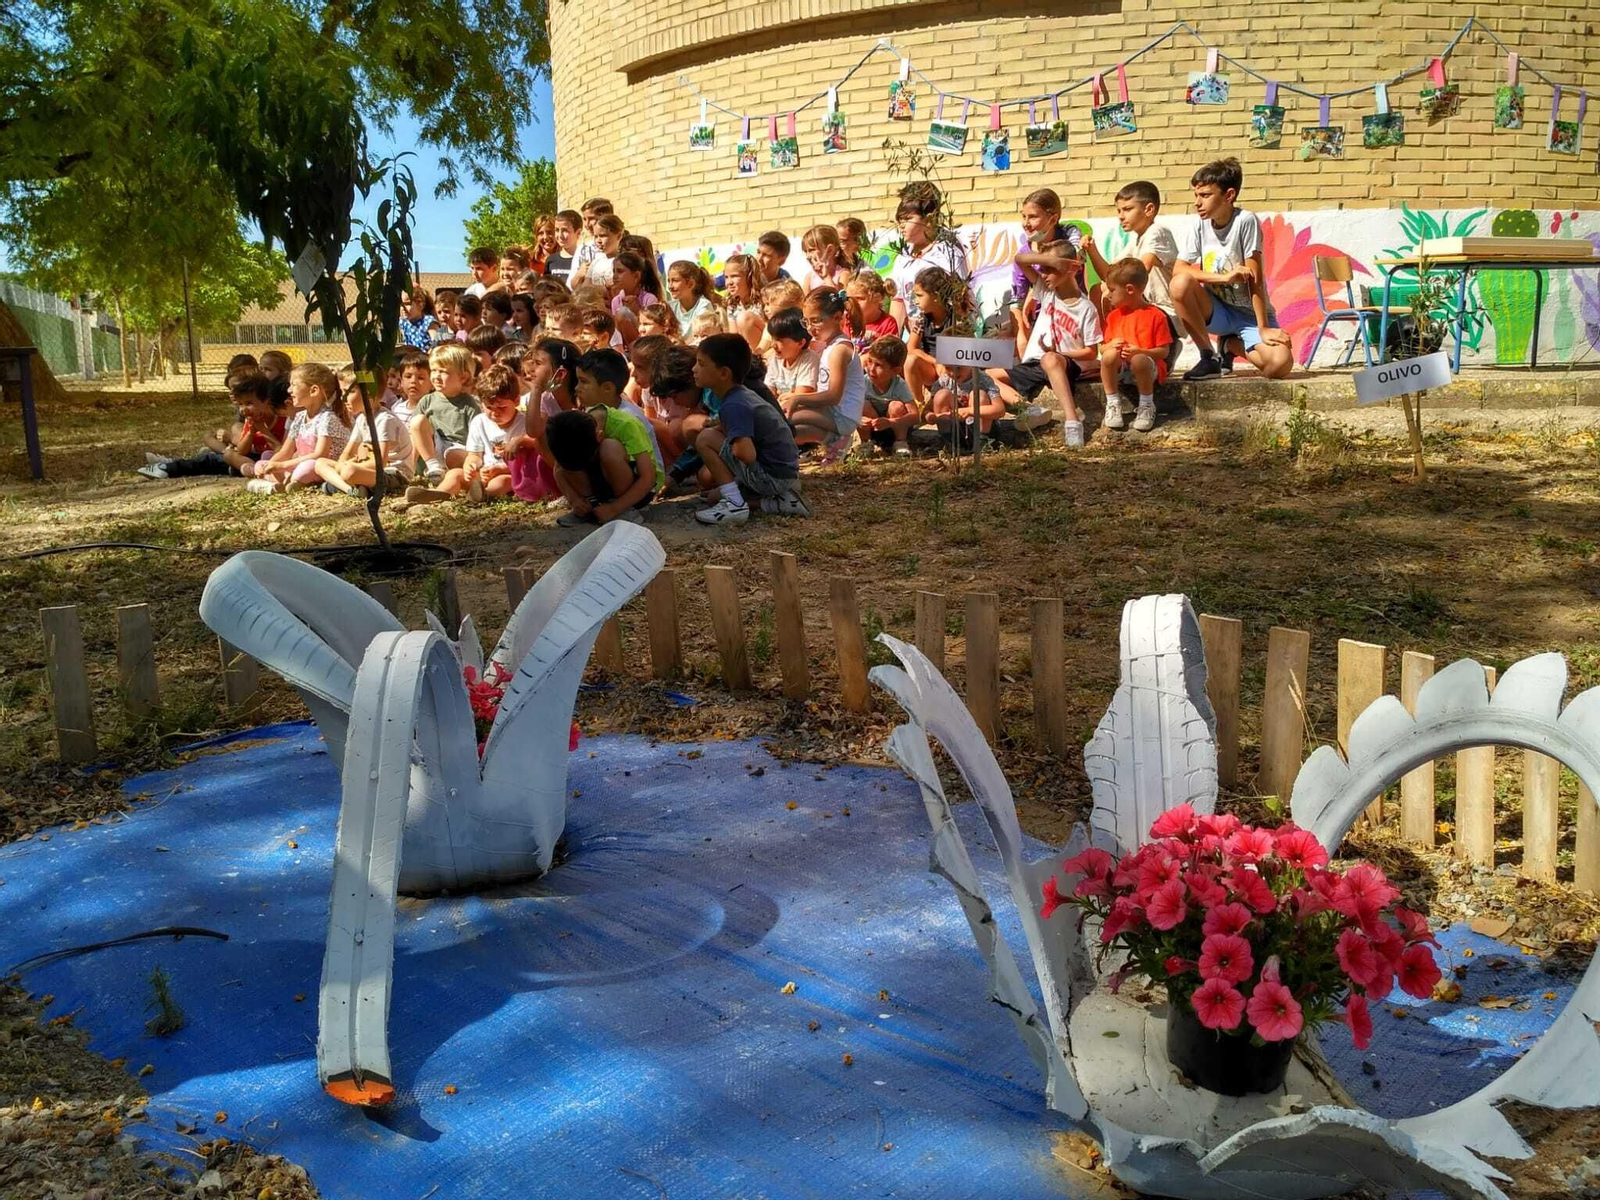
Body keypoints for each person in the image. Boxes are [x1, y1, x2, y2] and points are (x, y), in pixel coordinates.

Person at [1171, 157, 1293, 380]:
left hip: (1250, 316)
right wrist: (1224, 278)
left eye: (1205, 195)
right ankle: (1209, 356)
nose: (1198, 202)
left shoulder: (1245, 221)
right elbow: (1179, 269)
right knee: (1180, 283)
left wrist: (1263, 327)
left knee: (1279, 366)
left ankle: (1231, 345)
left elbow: (1255, 279)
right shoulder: (1199, 224)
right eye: (1196, 195)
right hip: (1216, 310)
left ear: (1229, 195)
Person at [991, 241, 1100, 447]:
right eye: (1042, 269)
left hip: (1065, 363)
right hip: (1035, 363)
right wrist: (1050, 260)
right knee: (987, 376)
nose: (1043, 274)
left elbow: (1091, 352)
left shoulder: (1086, 308)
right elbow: (1020, 260)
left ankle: (1072, 422)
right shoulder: (1046, 292)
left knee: (1050, 358)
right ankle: (1029, 409)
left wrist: (1059, 352)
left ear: (1071, 269)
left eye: (1050, 269)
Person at [692, 333, 807, 524]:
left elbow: (746, 454)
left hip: (771, 476)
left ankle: (734, 505)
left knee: (705, 439)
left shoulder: (733, 405)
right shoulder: (741, 394)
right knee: (713, 497)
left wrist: (729, 445)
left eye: (701, 364)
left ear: (724, 373)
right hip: (783, 473)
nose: (694, 369)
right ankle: (778, 502)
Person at [1079, 180, 1181, 345]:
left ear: (1149, 209)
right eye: (1119, 210)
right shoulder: (1135, 238)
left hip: (1163, 312)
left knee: (1108, 293)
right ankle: (1111, 344)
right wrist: (1092, 250)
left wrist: (1111, 289)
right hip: (1142, 307)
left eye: (1127, 209)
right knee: (1099, 290)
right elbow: (1111, 275)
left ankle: (1163, 345)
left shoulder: (1157, 232)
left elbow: (1138, 273)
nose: (1121, 216)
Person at [412, 364, 532, 504]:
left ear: (516, 400)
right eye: (489, 407)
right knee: (454, 474)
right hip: (483, 474)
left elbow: (526, 462)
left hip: (510, 474)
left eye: (502, 407)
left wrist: (500, 470)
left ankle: (483, 496)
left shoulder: (524, 423)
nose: (495, 413)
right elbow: (474, 455)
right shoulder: (479, 422)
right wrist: (471, 466)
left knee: (502, 481)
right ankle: (438, 494)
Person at [140, 371, 287, 479]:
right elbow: (242, 451)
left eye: (249, 403)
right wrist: (250, 433)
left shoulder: (281, 419)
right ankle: (168, 467)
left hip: (273, 461)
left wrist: (263, 430)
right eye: (241, 404)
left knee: (214, 460)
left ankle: (168, 467)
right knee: (225, 456)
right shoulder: (250, 420)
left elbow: (282, 450)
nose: (243, 409)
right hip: (250, 460)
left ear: (266, 401)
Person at [783, 287, 866, 452]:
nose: (809, 328)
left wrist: (798, 399)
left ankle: (837, 439)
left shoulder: (839, 350)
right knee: (790, 429)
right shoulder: (828, 346)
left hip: (842, 416)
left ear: (837, 318)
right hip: (832, 412)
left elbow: (833, 396)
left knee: (785, 418)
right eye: (806, 321)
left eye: (815, 321)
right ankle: (835, 442)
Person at [248, 362, 350, 493]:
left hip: (319, 466)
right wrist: (271, 465)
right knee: (261, 464)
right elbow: (286, 452)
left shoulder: (327, 418)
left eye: (294, 385)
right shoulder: (300, 417)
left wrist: (283, 465)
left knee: (306, 468)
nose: (289, 390)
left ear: (313, 391)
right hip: (299, 464)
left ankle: (286, 483)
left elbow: (320, 455)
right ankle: (287, 483)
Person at [547, 405, 656, 527]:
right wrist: (573, 499)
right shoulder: (568, 431)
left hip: (635, 491)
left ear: (600, 436)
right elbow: (558, 468)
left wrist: (615, 508)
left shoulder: (626, 425)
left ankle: (625, 509)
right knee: (568, 462)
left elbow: (648, 478)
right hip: (599, 489)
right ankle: (590, 508)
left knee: (609, 448)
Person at [1099, 257, 1174, 433]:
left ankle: (1147, 405)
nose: (1108, 294)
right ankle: (1113, 403)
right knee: (1109, 356)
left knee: (1139, 359)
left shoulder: (1156, 315)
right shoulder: (1113, 316)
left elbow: (1164, 352)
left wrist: (1140, 351)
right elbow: (1102, 349)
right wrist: (1110, 346)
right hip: (1121, 369)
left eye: (1112, 290)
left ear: (1130, 289)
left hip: (1147, 368)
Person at [887, 185, 969, 335]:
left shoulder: (947, 253)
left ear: (929, 219)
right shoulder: (903, 256)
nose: (902, 226)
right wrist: (893, 339)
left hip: (943, 334)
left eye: (908, 219)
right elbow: (898, 300)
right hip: (912, 336)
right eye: (900, 220)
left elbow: (961, 300)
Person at [315, 376, 413, 498]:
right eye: (342, 392)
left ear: (369, 394)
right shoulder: (362, 418)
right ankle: (351, 490)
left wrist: (349, 466)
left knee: (349, 471)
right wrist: (342, 463)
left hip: (394, 474)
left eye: (349, 392)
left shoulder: (385, 420)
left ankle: (338, 485)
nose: (342, 398)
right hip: (368, 470)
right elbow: (347, 452)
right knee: (320, 463)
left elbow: (380, 463)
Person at [574, 347, 664, 475]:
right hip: (618, 476)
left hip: (644, 478)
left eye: (584, 382)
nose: (577, 388)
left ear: (607, 388)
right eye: (578, 381)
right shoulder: (592, 410)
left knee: (608, 448)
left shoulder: (629, 417)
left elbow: (644, 467)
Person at [903, 265, 971, 409]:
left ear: (936, 296)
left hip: (953, 368)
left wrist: (945, 364)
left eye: (920, 295)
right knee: (910, 361)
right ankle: (918, 404)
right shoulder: (922, 318)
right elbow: (911, 348)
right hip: (933, 368)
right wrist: (936, 362)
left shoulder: (956, 319)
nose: (916, 301)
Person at [410, 342, 479, 483]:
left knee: (454, 456)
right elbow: (415, 433)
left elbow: (477, 438)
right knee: (417, 421)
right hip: (432, 448)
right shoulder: (427, 401)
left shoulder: (469, 404)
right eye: (434, 370)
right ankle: (433, 467)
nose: (436, 376)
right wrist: (409, 464)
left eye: (443, 372)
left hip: (458, 447)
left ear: (463, 377)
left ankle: (452, 476)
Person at [859, 335, 918, 456]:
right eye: (870, 361)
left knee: (896, 406)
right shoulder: (863, 382)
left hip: (894, 429)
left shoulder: (899, 385)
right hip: (873, 429)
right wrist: (858, 420)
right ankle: (866, 442)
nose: (871, 369)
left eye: (878, 365)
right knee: (862, 405)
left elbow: (915, 416)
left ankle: (900, 443)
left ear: (895, 370)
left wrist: (891, 422)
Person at [763, 306, 819, 403]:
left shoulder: (809, 359)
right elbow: (768, 393)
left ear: (800, 343)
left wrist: (792, 397)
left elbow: (801, 396)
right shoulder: (775, 359)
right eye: (772, 338)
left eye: (779, 340)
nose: (773, 345)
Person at [721, 253, 767, 350]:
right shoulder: (733, 304)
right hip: (746, 351)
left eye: (734, 276)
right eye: (726, 277)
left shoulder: (765, 299)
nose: (729, 282)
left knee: (744, 318)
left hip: (767, 349)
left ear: (749, 276)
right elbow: (734, 338)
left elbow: (774, 332)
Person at [844, 268, 897, 351]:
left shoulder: (887, 323)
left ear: (877, 298)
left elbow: (889, 356)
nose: (852, 303)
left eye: (859, 298)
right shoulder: (846, 320)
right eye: (849, 298)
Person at [664, 260, 719, 337]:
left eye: (675, 281)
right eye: (669, 281)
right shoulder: (671, 307)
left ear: (691, 284)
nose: (670, 286)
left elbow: (701, 336)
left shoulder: (703, 306)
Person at [572, 214, 624, 291]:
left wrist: (594, 287)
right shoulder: (596, 261)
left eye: (603, 236)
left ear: (619, 236)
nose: (598, 241)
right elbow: (586, 286)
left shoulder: (624, 262)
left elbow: (617, 288)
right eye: (596, 236)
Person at [611, 250, 662, 321]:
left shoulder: (649, 299)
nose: (614, 276)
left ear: (636, 276)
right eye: (614, 271)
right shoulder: (616, 301)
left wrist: (637, 310)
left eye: (620, 271)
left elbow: (652, 327)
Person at [389, 348, 430, 425]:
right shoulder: (396, 408)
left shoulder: (432, 411)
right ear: (401, 381)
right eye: (408, 376)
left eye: (420, 378)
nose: (413, 381)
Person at [547, 209, 584, 282]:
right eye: (557, 230)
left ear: (578, 233)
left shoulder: (583, 260)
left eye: (565, 230)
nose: (560, 235)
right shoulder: (551, 260)